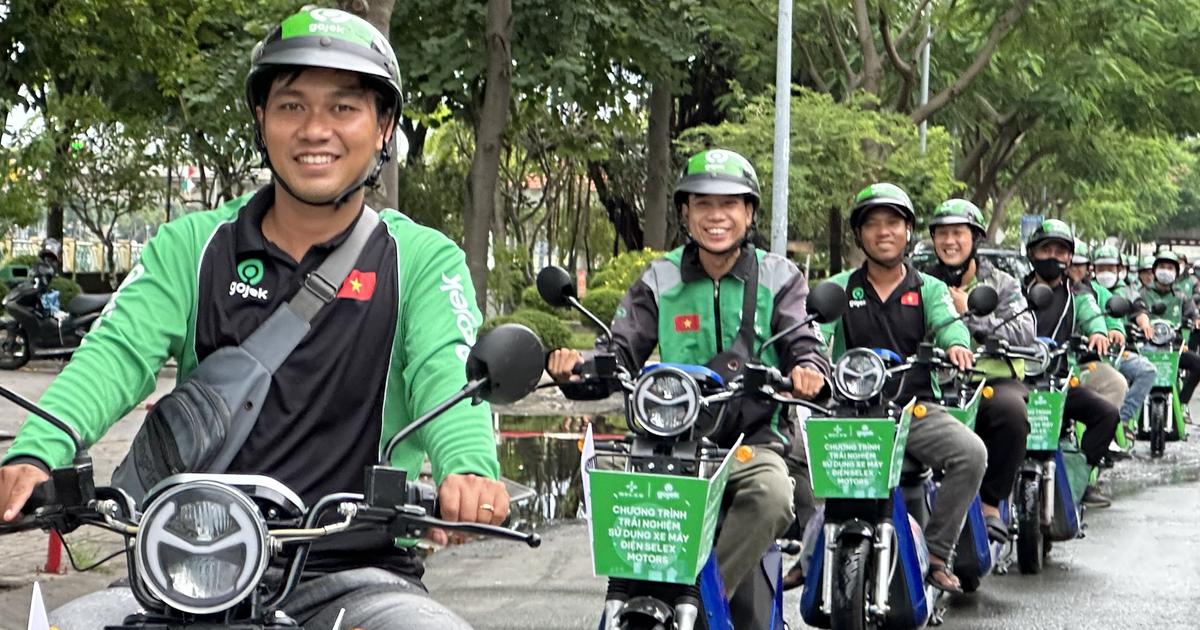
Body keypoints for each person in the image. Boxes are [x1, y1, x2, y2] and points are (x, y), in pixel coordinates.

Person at [0, 8, 504, 629]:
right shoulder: (190, 246)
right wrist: (34, 454)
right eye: (292, 106)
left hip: (358, 579)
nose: (315, 129)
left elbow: (448, 376)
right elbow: (114, 354)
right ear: (262, 121)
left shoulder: (423, 260)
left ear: (384, 128)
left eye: (344, 108)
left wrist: (469, 471)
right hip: (183, 573)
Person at [547, 148, 831, 598]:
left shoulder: (780, 277)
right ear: (685, 212)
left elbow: (805, 342)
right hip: (669, 446)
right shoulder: (660, 277)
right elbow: (621, 347)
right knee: (619, 502)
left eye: (729, 204)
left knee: (774, 495)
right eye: (702, 203)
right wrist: (577, 369)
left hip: (750, 446)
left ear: (748, 212)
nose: (716, 216)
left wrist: (809, 370)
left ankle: (702, 598)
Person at [821, 184, 986, 594]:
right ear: (859, 235)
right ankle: (811, 558)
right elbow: (811, 335)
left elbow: (951, 324)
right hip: (850, 415)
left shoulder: (928, 288)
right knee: (793, 461)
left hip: (914, 411)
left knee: (971, 453)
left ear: (908, 229)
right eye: (872, 224)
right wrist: (807, 366)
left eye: (892, 222)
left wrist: (958, 346)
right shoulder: (839, 287)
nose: (883, 232)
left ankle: (934, 554)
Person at [922, 199, 1032, 544]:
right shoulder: (919, 280)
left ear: (975, 239)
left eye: (958, 233)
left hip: (990, 381)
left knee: (1011, 412)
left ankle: (990, 504)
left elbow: (1024, 330)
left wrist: (971, 313)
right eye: (942, 234)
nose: (949, 241)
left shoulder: (1003, 283)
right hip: (934, 385)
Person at [1021, 220, 1119, 507]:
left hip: (1059, 385)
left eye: (1061, 251)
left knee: (1107, 415)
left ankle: (1076, 480)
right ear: (1031, 253)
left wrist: (1099, 332)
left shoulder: (1078, 295)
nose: (1053, 256)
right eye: (1045, 249)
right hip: (1017, 384)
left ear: (1069, 257)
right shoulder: (1015, 292)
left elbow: (1092, 316)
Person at [1091, 244, 1157, 447]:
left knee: (1147, 370)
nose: (1106, 272)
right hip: (1088, 357)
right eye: (1101, 268)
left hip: (1120, 354)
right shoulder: (1087, 292)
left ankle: (1124, 418)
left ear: (1120, 269)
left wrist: (1144, 324)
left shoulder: (1127, 291)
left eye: (1111, 268)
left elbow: (1139, 309)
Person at [1066, 241, 1129, 429]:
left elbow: (1104, 317)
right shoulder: (1032, 289)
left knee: (1117, 383)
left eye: (1080, 264)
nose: (1074, 269)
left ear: (1088, 268)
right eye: (1071, 263)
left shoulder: (1095, 293)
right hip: (1042, 366)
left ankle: (1100, 436)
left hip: (1084, 362)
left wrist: (1110, 331)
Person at [1138, 251, 1200, 411]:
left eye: (1170, 268)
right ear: (1154, 271)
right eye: (1162, 267)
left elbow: (1193, 315)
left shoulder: (1182, 296)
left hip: (1174, 349)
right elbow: (1135, 311)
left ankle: (1181, 404)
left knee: (1197, 364)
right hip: (1145, 348)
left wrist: (1195, 321)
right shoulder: (1142, 293)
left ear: (1176, 273)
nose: (1166, 271)